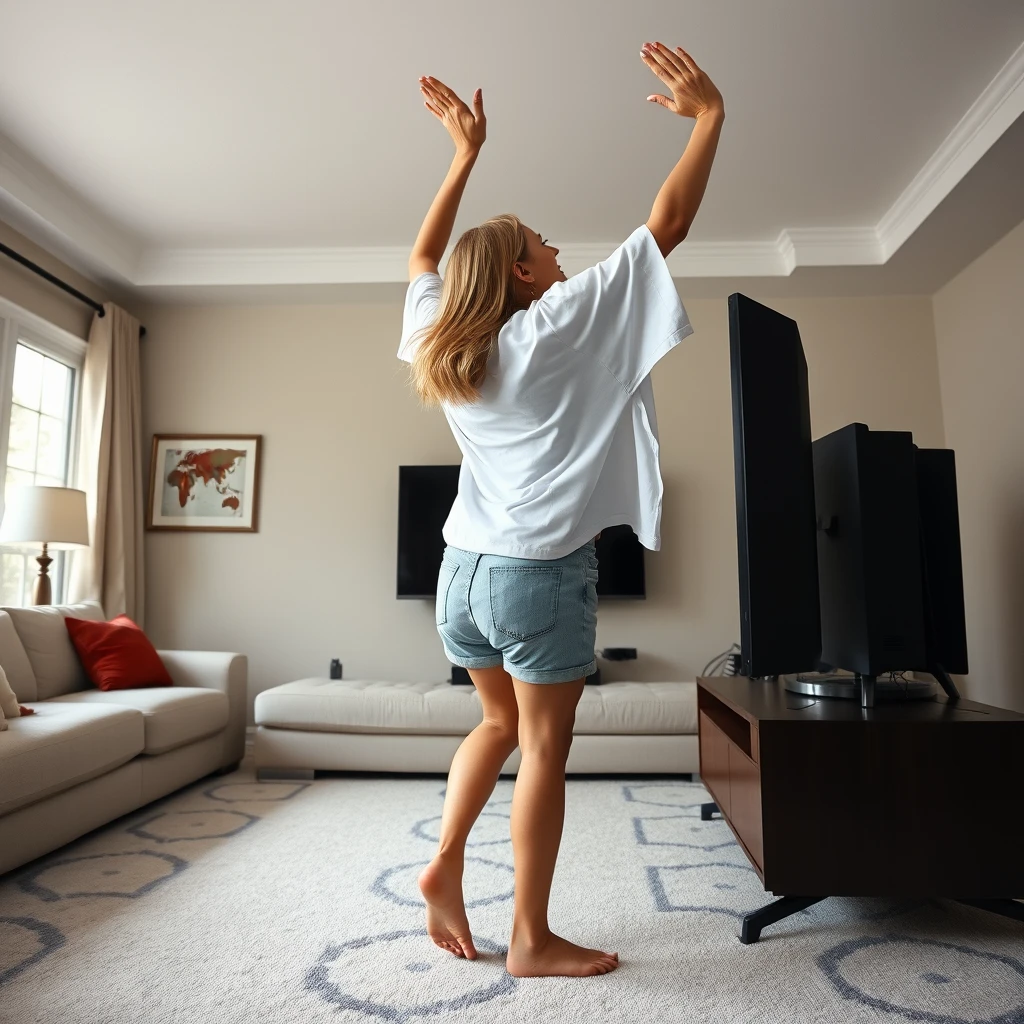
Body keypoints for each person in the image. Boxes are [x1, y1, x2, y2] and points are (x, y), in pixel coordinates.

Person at [398, 41, 724, 978]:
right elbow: (665, 225)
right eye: (540, 241)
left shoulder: (441, 343)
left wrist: (462, 157)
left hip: (460, 574)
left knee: (495, 728)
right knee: (542, 748)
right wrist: (709, 119)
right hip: (537, 575)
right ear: (524, 276)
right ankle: (531, 940)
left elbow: (426, 254)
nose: (555, 248)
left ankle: (445, 865)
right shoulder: (553, 326)